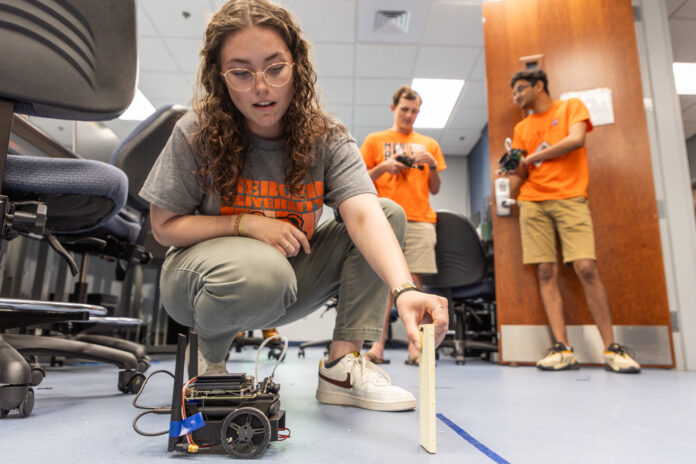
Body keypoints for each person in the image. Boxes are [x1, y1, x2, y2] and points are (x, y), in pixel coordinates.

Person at [139, 0, 448, 412]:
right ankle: (208, 358)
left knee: (387, 213)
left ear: (296, 66)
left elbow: (363, 214)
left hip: (283, 279)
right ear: (220, 75)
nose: (261, 87)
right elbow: (163, 226)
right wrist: (246, 224)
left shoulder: (326, 136)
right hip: (196, 285)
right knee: (263, 272)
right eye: (241, 72)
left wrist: (404, 288)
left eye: (274, 68)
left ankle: (342, 365)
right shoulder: (196, 131)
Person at [506, 68, 640, 373]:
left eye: (520, 90)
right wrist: (514, 170)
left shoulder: (570, 107)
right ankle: (562, 348)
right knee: (546, 271)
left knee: (586, 267)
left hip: (571, 197)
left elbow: (577, 140)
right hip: (532, 201)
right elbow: (521, 173)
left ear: (538, 86)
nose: (516, 97)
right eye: (513, 94)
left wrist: (528, 158)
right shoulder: (522, 127)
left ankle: (612, 348)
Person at [360, 85, 447, 366]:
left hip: (421, 220)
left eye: (414, 110)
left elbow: (435, 189)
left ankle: (417, 349)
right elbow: (359, 181)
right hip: (384, 220)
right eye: (404, 109)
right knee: (383, 284)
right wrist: (385, 167)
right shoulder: (375, 140)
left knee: (416, 285)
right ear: (393, 108)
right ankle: (377, 347)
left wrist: (432, 165)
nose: (409, 115)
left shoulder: (429, 144)